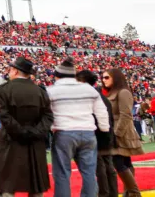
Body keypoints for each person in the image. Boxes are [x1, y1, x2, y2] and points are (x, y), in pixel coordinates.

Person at [47, 58, 109, 197]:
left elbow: (46, 113)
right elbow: (101, 111)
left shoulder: (52, 91)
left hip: (64, 132)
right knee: (89, 172)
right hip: (87, 132)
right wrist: (104, 129)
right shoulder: (88, 89)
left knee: (62, 173)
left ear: (57, 75)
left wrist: (50, 128)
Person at [0, 57, 54, 197]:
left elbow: (5, 117)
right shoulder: (40, 91)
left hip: (11, 140)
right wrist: (34, 132)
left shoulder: (4, 90)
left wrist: (21, 132)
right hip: (34, 142)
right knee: (36, 183)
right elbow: (48, 117)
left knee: (8, 184)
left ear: (15, 71)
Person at [102, 69, 144, 197]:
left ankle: (134, 193)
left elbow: (126, 115)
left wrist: (116, 134)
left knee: (119, 163)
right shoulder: (111, 93)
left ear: (116, 78)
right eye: (103, 77)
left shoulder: (123, 92)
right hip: (114, 130)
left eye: (106, 77)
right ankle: (129, 194)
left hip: (121, 131)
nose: (103, 80)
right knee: (125, 162)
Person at [76, 70, 118, 197]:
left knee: (100, 168)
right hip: (105, 135)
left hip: (97, 135)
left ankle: (103, 193)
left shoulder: (92, 97)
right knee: (107, 167)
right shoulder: (101, 96)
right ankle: (111, 193)